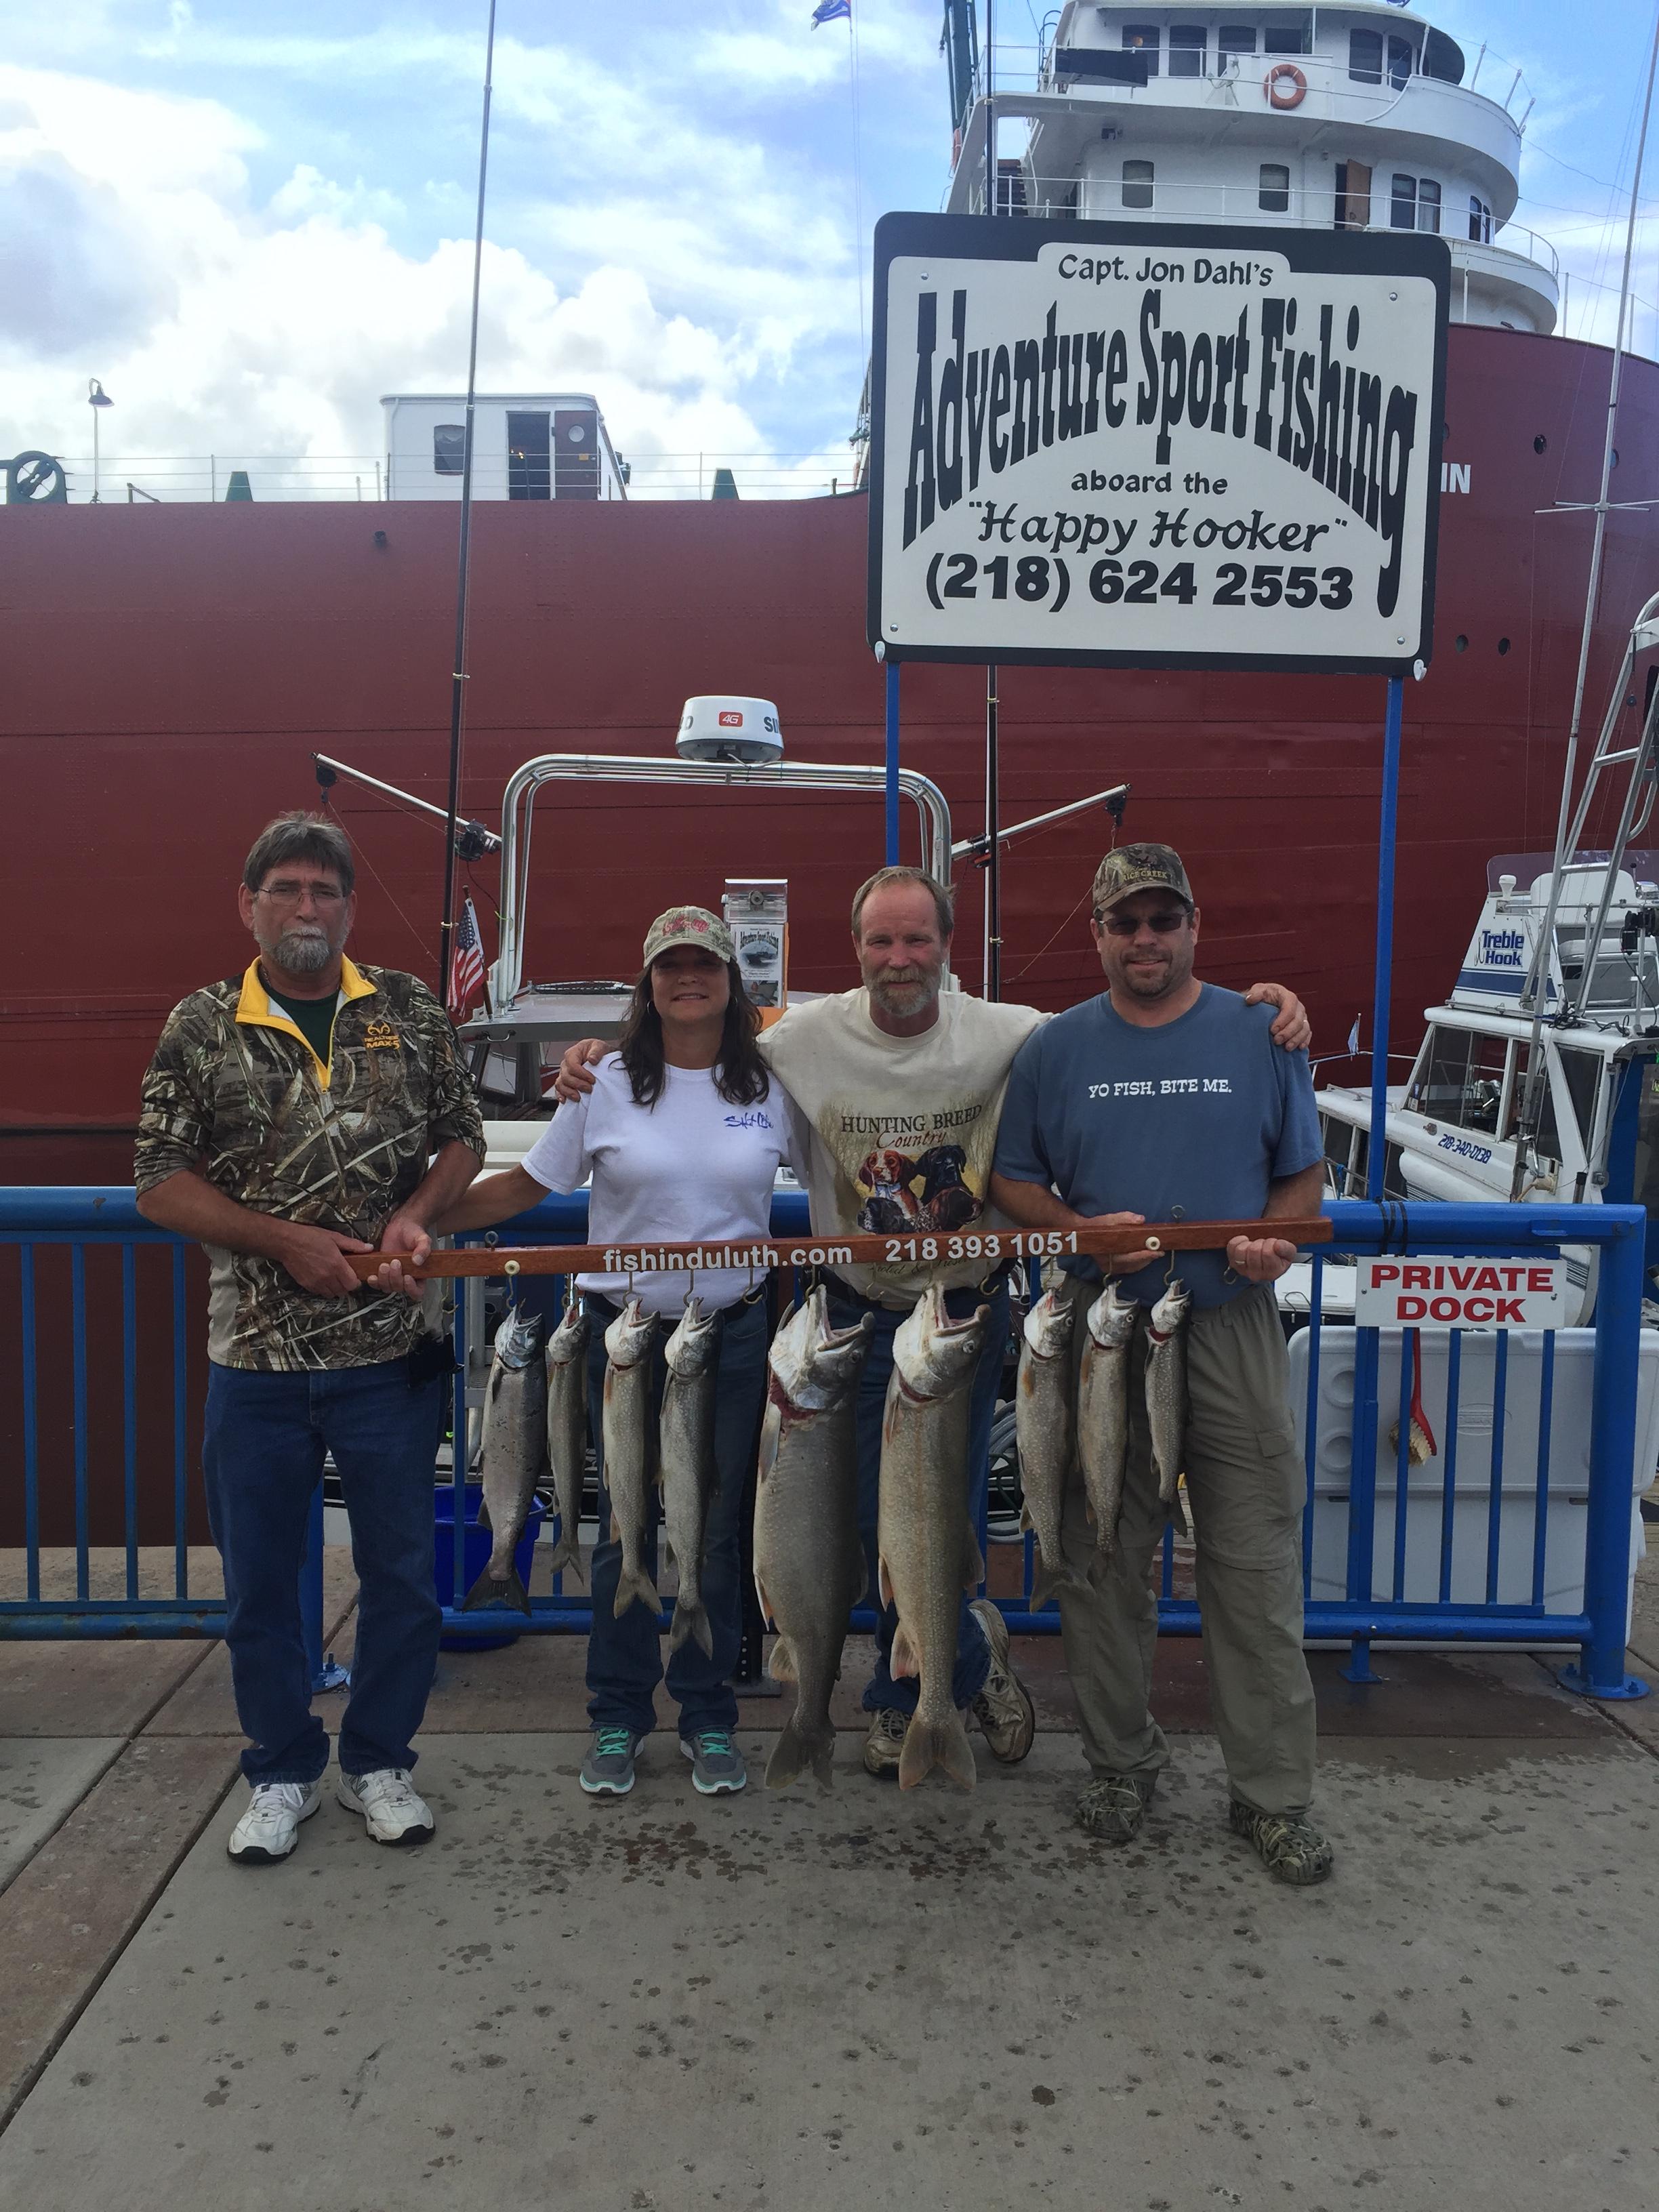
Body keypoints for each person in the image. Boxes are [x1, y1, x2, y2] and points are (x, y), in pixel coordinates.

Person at [557, 863, 1312, 1785]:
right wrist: (596, 1050)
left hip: (959, 1313)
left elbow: (1119, 1024)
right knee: (862, 1526)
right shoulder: (798, 1035)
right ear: (857, 951)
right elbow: (694, 1023)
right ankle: (960, 1661)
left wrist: (1264, 1006)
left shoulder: (1011, 1031)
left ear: (947, 950)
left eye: (918, 940)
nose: (899, 958)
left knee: (932, 1518)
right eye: (881, 941)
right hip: (850, 1314)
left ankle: (910, 1697)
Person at [134, 812, 485, 1866]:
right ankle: (281, 1769)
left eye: (324, 892)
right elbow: (159, 1180)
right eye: (285, 889)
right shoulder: (200, 1025)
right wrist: (283, 1241)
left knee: (403, 1581)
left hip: (388, 1359)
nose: (306, 909)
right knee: (259, 1587)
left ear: (348, 908)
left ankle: (381, 1762)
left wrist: (420, 1210)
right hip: (256, 1364)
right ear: (248, 905)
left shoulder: (409, 1009)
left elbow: (462, 1136)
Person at [989, 842, 1331, 1885]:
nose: (1146, 939)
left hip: (1226, 1325)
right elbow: (1013, 1183)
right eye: (1125, 922)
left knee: (1254, 1563)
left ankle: (1271, 1797)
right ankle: (1119, 1761)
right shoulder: (1054, 1048)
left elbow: (1303, 1177)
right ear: (1097, 934)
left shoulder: (1259, 1029)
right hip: (1099, 1331)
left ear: (1195, 926)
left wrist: (1277, 1237)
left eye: (1163, 919)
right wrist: (1081, 1231)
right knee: (1099, 1558)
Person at [435, 905, 805, 1801]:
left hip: (731, 1333)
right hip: (623, 1339)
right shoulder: (601, 1083)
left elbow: (843, 1179)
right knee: (625, 1529)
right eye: (671, 966)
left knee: (716, 1534)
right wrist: (422, 1221)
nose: (690, 979)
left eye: (706, 965)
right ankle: (617, 1712)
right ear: (649, 982)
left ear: (731, 979)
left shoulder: (771, 1083)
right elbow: (529, 1184)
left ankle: (709, 1715)